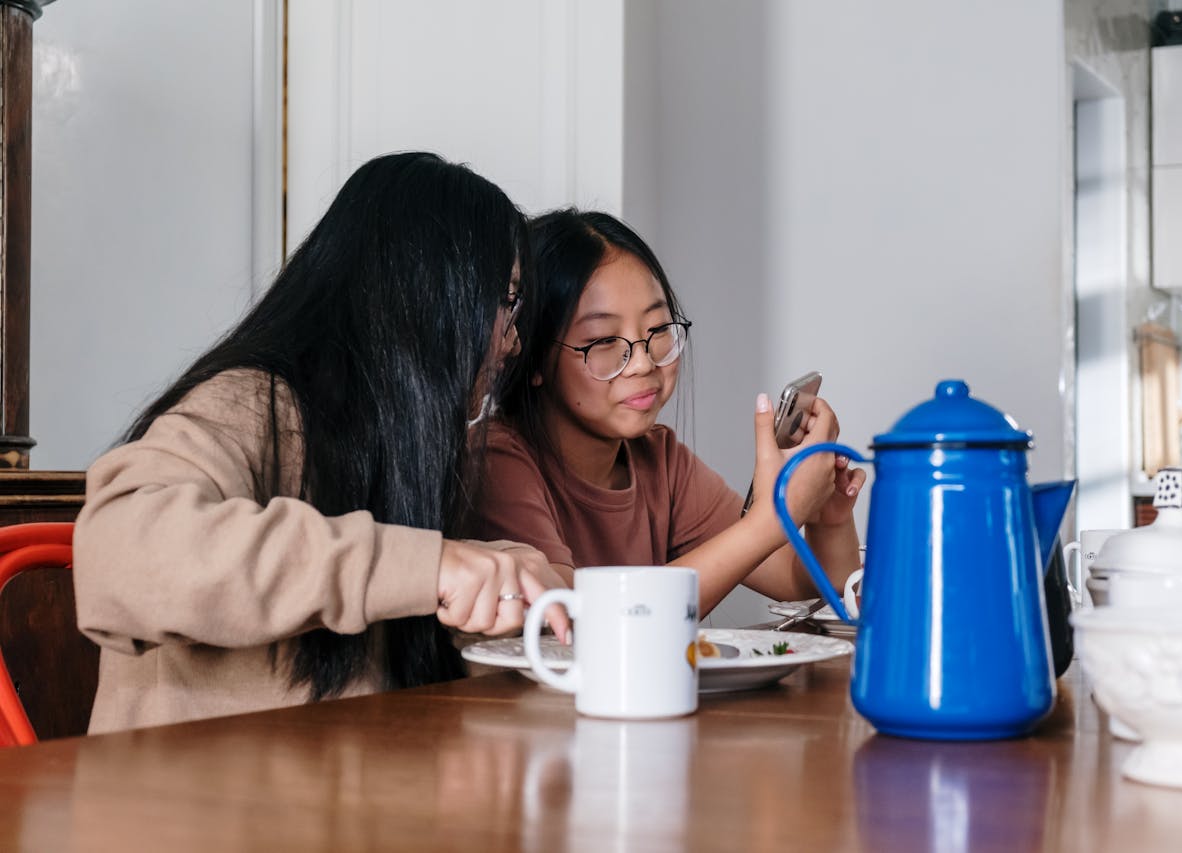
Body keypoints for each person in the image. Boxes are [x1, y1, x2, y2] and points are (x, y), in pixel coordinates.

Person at [73, 152, 568, 734]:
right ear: (427, 294)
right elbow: (122, 555)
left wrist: (488, 592)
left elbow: (364, 670)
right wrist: (425, 565)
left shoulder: (394, 439)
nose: (511, 344)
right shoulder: (251, 402)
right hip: (191, 812)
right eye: (507, 303)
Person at [467, 209, 863, 617]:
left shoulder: (661, 459)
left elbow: (801, 580)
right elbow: (574, 619)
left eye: (658, 330)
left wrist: (827, 517)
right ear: (530, 354)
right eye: (603, 340)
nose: (643, 362)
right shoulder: (497, 460)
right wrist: (769, 521)